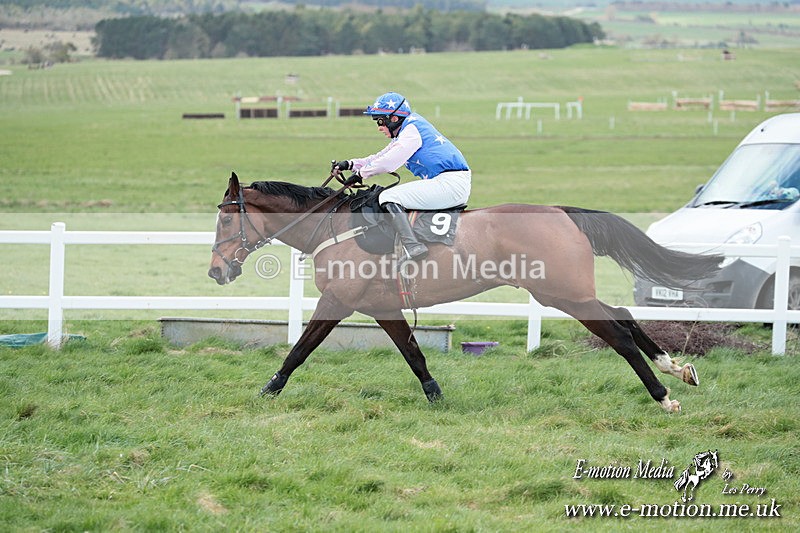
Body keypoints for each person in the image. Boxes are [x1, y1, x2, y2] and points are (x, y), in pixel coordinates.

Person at [333, 92, 471, 261]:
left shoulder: (411, 132)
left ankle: (412, 246)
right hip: (448, 182)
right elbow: (380, 156)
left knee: (388, 197)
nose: (379, 127)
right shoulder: (408, 129)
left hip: (450, 184)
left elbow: (388, 162)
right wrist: (350, 164)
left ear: (394, 119)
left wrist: (360, 175)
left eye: (380, 121)